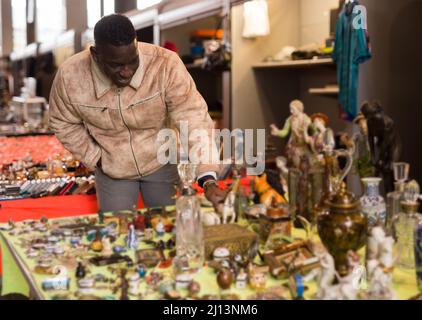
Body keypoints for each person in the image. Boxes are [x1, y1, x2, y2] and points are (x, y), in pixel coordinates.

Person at [49, 14, 227, 212]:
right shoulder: (70, 76)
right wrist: (96, 157)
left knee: (169, 228)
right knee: (117, 232)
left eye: (133, 62)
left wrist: (208, 177)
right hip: (112, 171)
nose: (126, 72)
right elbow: (62, 121)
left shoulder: (165, 64)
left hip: (161, 161)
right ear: (96, 54)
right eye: (116, 65)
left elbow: (193, 117)